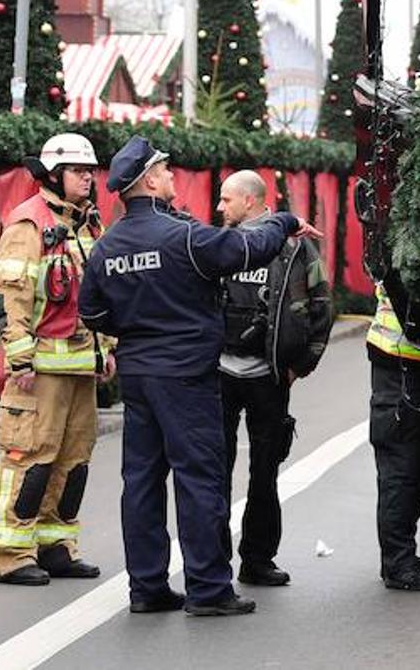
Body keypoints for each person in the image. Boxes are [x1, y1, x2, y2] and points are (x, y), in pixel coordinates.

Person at [79, 137, 321, 617]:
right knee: (200, 478)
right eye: (165, 170)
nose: (172, 177)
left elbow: (92, 312)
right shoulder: (184, 238)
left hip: (139, 375)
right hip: (187, 376)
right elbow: (248, 247)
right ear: (149, 180)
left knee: (142, 480)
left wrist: (137, 328)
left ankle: (147, 587)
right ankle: (209, 589)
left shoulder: (107, 247)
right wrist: (286, 220)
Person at [0, 134, 115, 586]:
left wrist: (107, 349)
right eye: (79, 170)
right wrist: (19, 359)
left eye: (91, 170)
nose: (88, 176)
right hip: (39, 372)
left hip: (80, 368)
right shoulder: (28, 223)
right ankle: (13, 553)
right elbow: (9, 297)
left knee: (73, 460)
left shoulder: (88, 224)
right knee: (30, 459)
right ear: (53, 176)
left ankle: (56, 545)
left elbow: (100, 295)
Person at [216, 170, 334, 588]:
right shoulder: (221, 243)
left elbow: (322, 307)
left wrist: (300, 365)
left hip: (270, 378)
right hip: (221, 377)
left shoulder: (295, 247)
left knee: (264, 472)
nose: (219, 207)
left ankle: (258, 559)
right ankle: (213, 563)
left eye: (226, 199)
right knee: (214, 471)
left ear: (250, 201)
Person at [368, 283, 420, 592]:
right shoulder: (407, 247)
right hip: (400, 358)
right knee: (402, 465)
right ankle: (398, 562)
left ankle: (403, 556)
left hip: (419, 360)